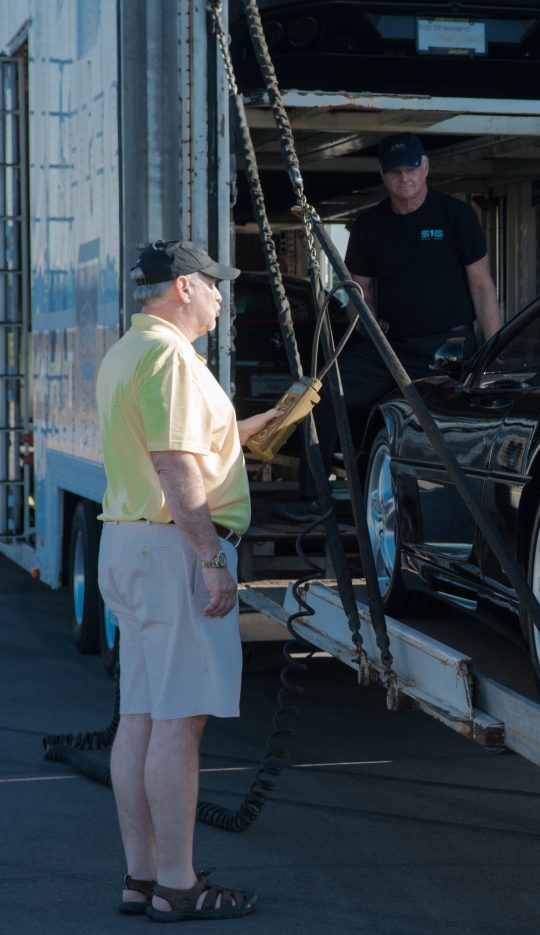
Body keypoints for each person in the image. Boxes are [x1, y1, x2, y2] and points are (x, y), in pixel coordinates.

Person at [96, 240, 279, 921]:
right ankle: (179, 886)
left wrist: (248, 428)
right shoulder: (172, 359)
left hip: (129, 542)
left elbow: (177, 447)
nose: (221, 296)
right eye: (212, 283)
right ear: (181, 287)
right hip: (173, 550)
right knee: (178, 721)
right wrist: (211, 559)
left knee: (141, 714)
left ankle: (142, 877)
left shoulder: (129, 351)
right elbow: (175, 467)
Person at [275, 132, 503, 522]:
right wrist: (366, 324)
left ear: (425, 167)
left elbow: (482, 286)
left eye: (411, 169)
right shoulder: (369, 225)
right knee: (322, 393)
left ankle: (461, 508)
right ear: (383, 175)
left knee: (445, 424)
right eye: (395, 172)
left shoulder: (456, 216)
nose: (405, 178)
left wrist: (495, 350)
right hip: (389, 346)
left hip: (448, 349)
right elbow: (358, 293)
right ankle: (315, 498)